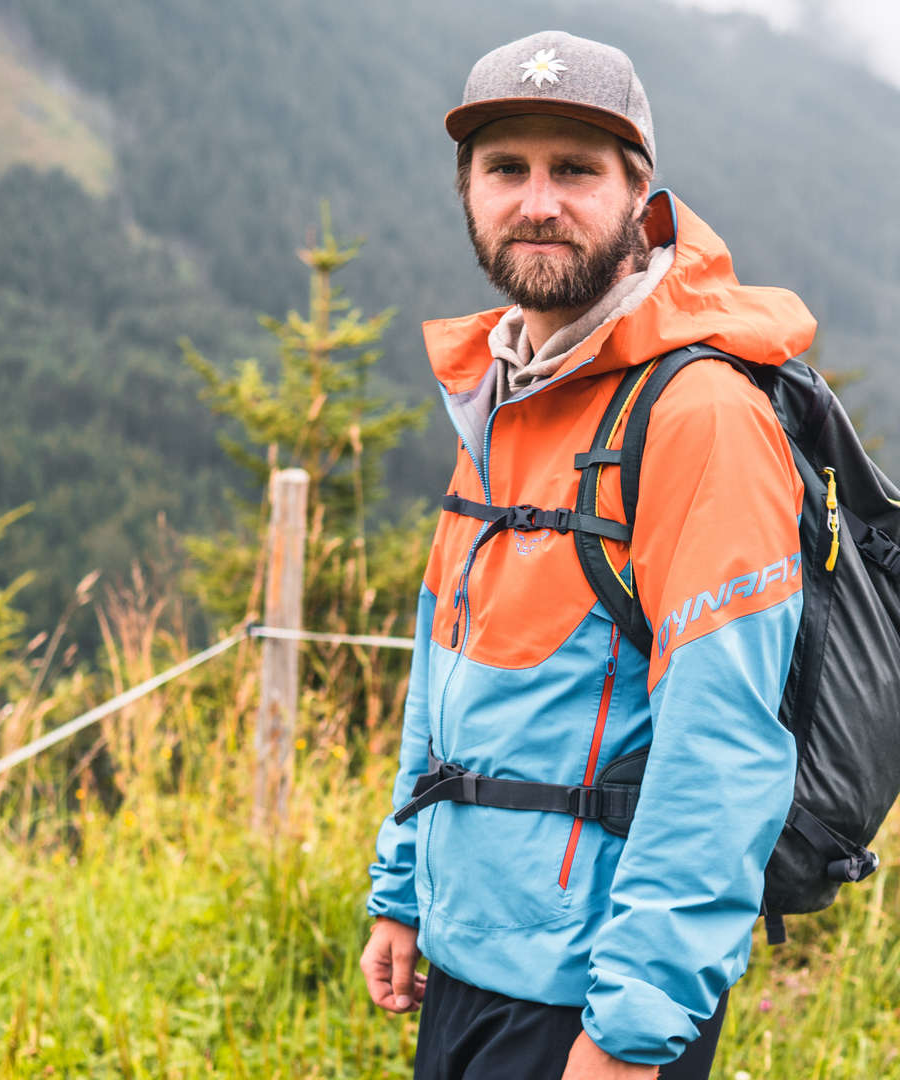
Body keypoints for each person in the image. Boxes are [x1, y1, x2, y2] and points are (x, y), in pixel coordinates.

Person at [362, 29, 817, 1080]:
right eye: (505, 169)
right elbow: (445, 668)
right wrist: (402, 891)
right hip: (465, 960)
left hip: (589, 996)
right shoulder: (501, 392)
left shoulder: (698, 414)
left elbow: (723, 750)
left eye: (575, 169)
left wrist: (633, 1027)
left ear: (639, 195)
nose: (537, 201)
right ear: (467, 190)